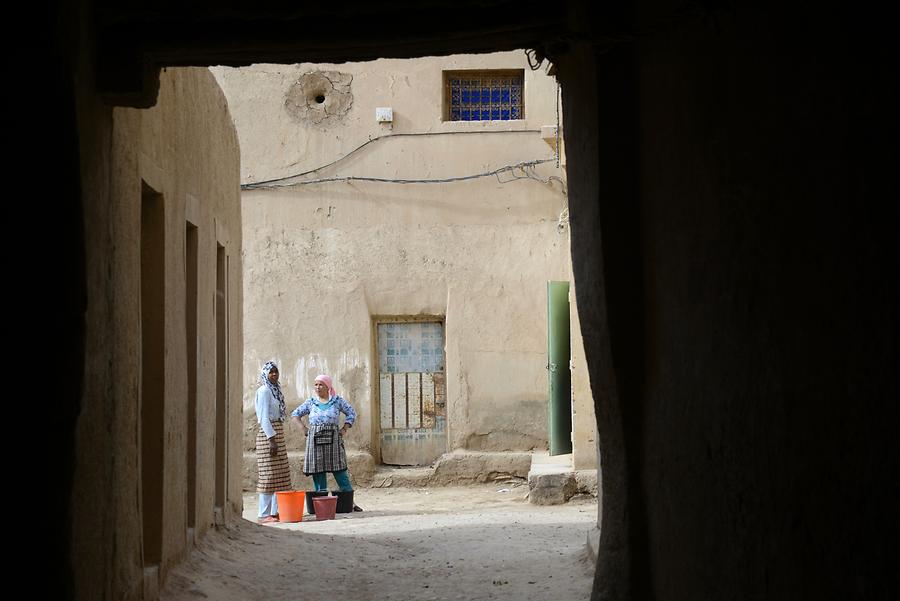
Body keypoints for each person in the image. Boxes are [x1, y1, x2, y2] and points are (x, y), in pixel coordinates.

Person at [291, 374, 361, 509]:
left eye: (321, 384)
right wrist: (303, 428)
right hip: (315, 440)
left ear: (328, 386)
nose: (318, 387)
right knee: (318, 471)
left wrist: (344, 429)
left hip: (333, 439)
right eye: (316, 384)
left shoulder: (337, 401)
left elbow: (351, 413)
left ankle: (350, 502)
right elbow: (295, 414)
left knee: (340, 470)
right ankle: (322, 504)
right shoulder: (311, 402)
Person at [254, 361, 292, 523]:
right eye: (271, 372)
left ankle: (277, 512)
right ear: (265, 374)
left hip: (278, 433)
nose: (274, 375)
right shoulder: (264, 391)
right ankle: (263, 514)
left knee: (281, 475)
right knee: (268, 476)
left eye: (276, 372)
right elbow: (263, 417)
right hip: (268, 435)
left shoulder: (275, 390)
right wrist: (272, 440)